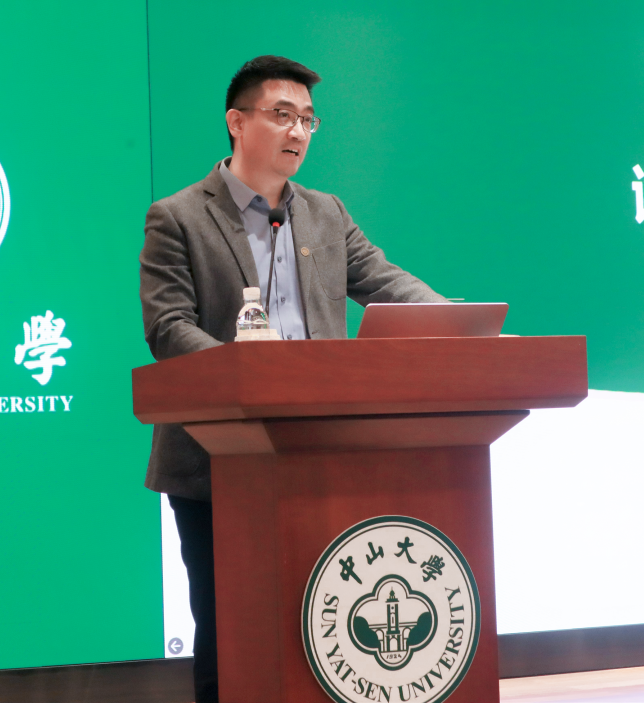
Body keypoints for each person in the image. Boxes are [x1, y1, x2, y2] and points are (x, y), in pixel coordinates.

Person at [138, 55, 445, 703]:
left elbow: (385, 282)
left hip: (322, 451)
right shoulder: (178, 216)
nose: (298, 131)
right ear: (236, 122)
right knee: (231, 630)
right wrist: (248, 373)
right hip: (218, 458)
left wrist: (458, 324)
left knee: (324, 622)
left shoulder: (326, 213)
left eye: (308, 119)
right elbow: (168, 327)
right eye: (282, 115)